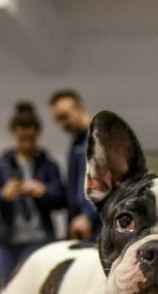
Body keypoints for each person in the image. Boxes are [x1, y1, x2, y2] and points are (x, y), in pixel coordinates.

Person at [0, 101, 66, 283]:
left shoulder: (48, 164)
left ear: (37, 134)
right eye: (22, 138)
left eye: (30, 138)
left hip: (40, 238)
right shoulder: (2, 164)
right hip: (8, 240)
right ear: (14, 133)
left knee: (39, 285)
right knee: (7, 286)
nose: (26, 143)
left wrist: (44, 192)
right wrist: (3, 195)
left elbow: (62, 201)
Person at [49, 89, 100, 241]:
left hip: (96, 223)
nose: (63, 124)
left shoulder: (99, 139)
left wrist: (88, 216)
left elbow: (105, 183)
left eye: (65, 116)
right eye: (58, 120)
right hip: (79, 223)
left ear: (80, 108)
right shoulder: (77, 143)